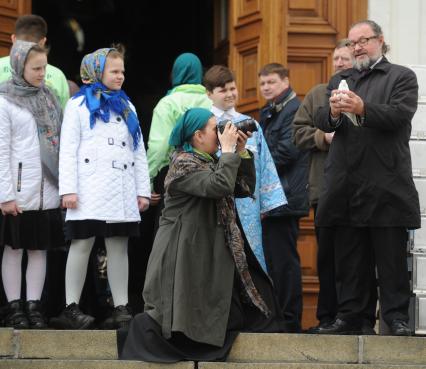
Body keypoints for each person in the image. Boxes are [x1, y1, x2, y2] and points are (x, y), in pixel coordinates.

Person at [121, 108, 286, 362]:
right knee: (188, 315)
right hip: (184, 253)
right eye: (214, 129)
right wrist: (229, 153)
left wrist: (240, 152)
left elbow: (242, 188)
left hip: (207, 251)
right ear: (198, 136)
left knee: (252, 312)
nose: (220, 134)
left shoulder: (209, 160)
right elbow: (218, 186)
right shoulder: (182, 163)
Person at [313, 20, 420, 336]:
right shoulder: (341, 78)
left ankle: (396, 317)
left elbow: (399, 115)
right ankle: (351, 316)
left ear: (380, 41)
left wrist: (362, 108)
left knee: (390, 259)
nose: (357, 46)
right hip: (347, 184)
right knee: (350, 260)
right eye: (353, 42)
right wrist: (332, 114)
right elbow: (321, 120)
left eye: (364, 40)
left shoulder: (401, 76)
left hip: (386, 183)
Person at [50, 46, 151, 330]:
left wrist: (142, 189)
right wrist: (67, 189)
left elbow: (137, 150)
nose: (120, 77)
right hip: (88, 189)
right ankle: (71, 306)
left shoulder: (127, 106)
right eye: (114, 71)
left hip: (120, 189)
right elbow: (67, 150)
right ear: (97, 72)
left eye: (122, 71)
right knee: (82, 244)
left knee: (118, 247)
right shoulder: (78, 105)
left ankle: (121, 307)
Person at [293, 40, 377, 334]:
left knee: (360, 259)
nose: (340, 63)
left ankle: (360, 319)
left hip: (364, 192)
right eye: (336, 59)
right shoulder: (318, 93)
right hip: (325, 190)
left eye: (345, 58)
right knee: (327, 257)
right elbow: (298, 133)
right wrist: (324, 138)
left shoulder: (367, 94)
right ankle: (326, 317)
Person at [0, 40, 64, 329]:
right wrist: (5, 194)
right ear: (19, 66)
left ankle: (34, 306)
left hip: (47, 190)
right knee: (14, 249)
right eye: (36, 68)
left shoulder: (50, 97)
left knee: (39, 248)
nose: (42, 74)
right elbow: (1, 150)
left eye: (44, 68)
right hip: (18, 190)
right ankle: (14, 307)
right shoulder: (4, 100)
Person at [203, 65, 286, 271]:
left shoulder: (250, 124)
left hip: (249, 204)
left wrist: (266, 203)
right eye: (223, 90)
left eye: (232, 88)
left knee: (251, 260)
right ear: (209, 94)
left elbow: (264, 163)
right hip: (217, 203)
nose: (230, 94)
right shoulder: (205, 125)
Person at [258, 63, 310, 332]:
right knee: (273, 263)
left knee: (285, 263)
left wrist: (254, 168)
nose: (266, 87)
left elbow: (285, 153)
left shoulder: (293, 109)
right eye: (263, 83)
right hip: (271, 199)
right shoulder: (269, 111)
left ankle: (290, 321)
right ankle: (277, 318)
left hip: (285, 200)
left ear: (286, 81)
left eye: (272, 82)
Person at [147, 52, 212, 219]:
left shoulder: (168, 103)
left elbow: (159, 146)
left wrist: (149, 179)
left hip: (173, 173)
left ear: (175, 73)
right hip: (209, 171)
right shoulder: (211, 99)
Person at [0, 14, 69, 110]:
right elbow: (63, 116)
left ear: (13, 39)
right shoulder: (58, 75)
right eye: (36, 69)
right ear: (43, 42)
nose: (42, 73)